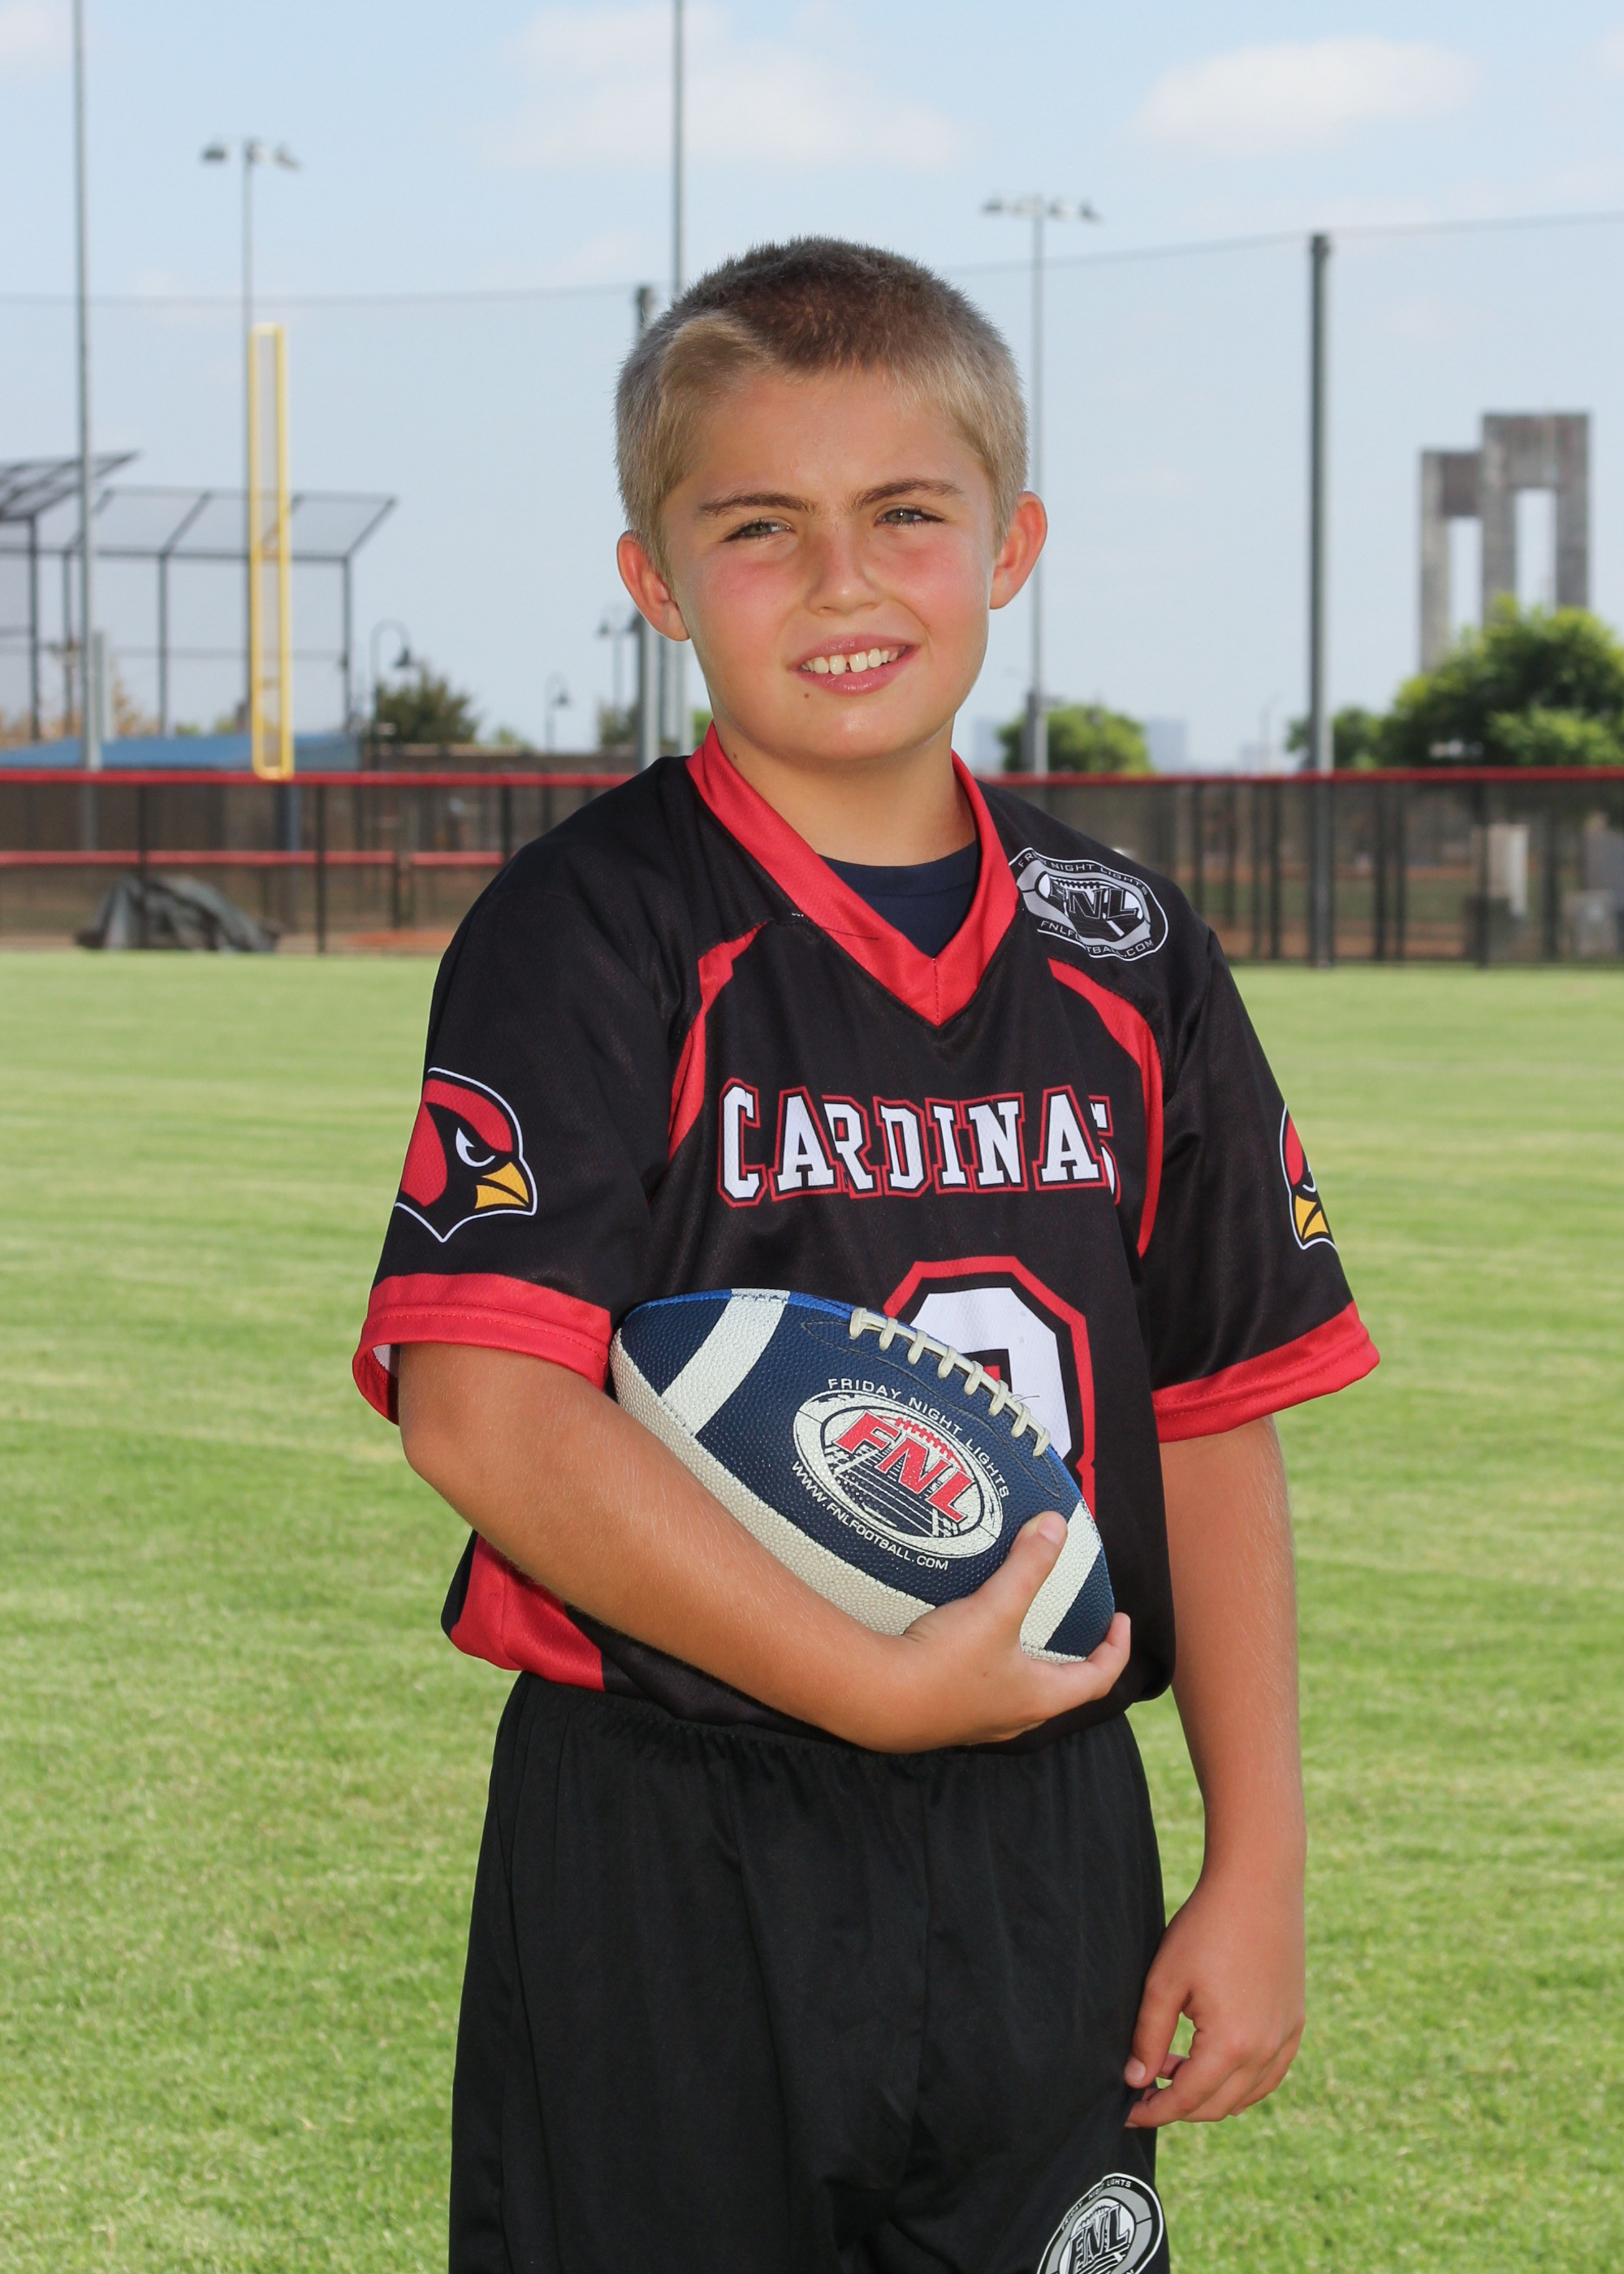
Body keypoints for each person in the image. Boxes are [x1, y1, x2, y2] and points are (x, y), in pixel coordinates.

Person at [352, 237, 1377, 2274]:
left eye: (905, 513)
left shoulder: (1126, 949)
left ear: (1010, 546)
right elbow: (485, 1407)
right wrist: (873, 1688)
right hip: (673, 1823)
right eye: (759, 527)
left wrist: (1256, 1854)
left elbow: (1207, 1410)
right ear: (655, 578)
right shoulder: (593, 926)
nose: (841, 582)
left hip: (1046, 1822)